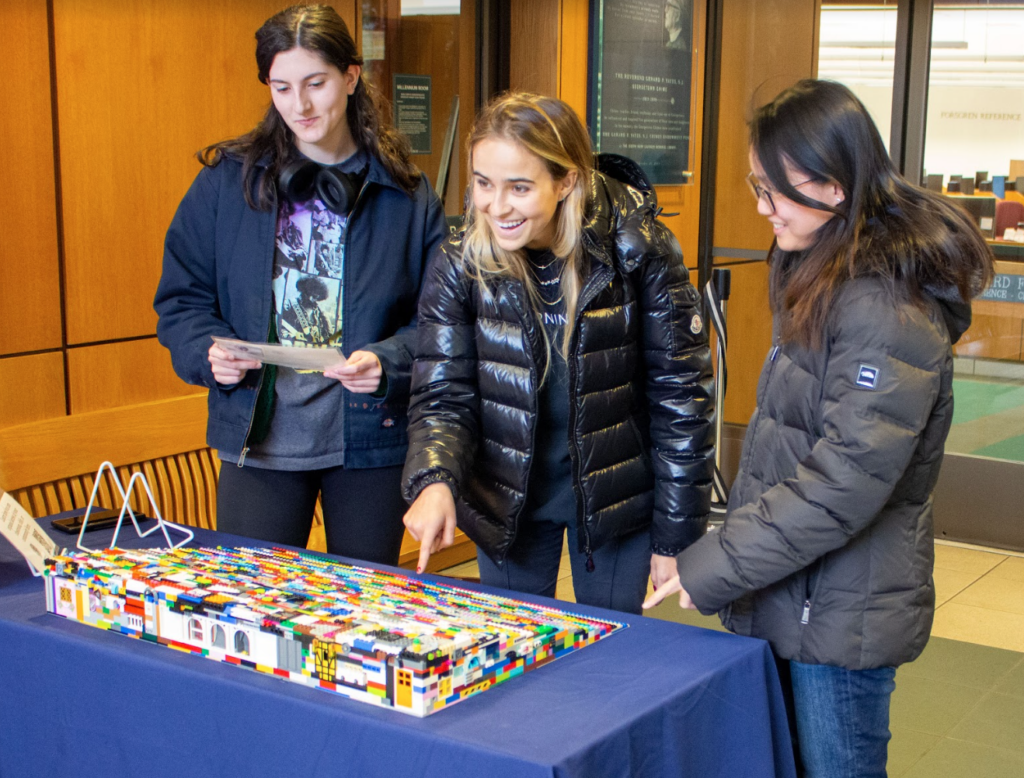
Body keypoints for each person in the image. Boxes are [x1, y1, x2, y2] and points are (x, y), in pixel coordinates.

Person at [643, 79, 994, 776]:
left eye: (775, 190)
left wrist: (714, 560)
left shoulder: (883, 305)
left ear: (834, 188)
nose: (761, 206)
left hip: (837, 615)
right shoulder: (823, 270)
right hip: (796, 593)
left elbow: (842, 483)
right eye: (757, 185)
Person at [154, 5, 446, 565]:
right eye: (281, 87)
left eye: (315, 84)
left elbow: (439, 320)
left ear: (351, 77)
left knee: (366, 604)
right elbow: (182, 298)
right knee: (255, 607)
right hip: (256, 438)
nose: (300, 106)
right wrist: (205, 351)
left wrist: (390, 361)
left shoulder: (405, 193)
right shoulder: (225, 181)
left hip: (368, 440)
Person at [401, 92, 715, 614]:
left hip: (615, 499)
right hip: (507, 501)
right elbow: (442, 394)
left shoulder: (639, 248)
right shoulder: (460, 259)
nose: (496, 207)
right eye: (483, 183)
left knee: (610, 659)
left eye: (519, 188)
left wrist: (676, 536)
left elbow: (681, 399)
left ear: (566, 180)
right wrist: (434, 479)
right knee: (510, 655)